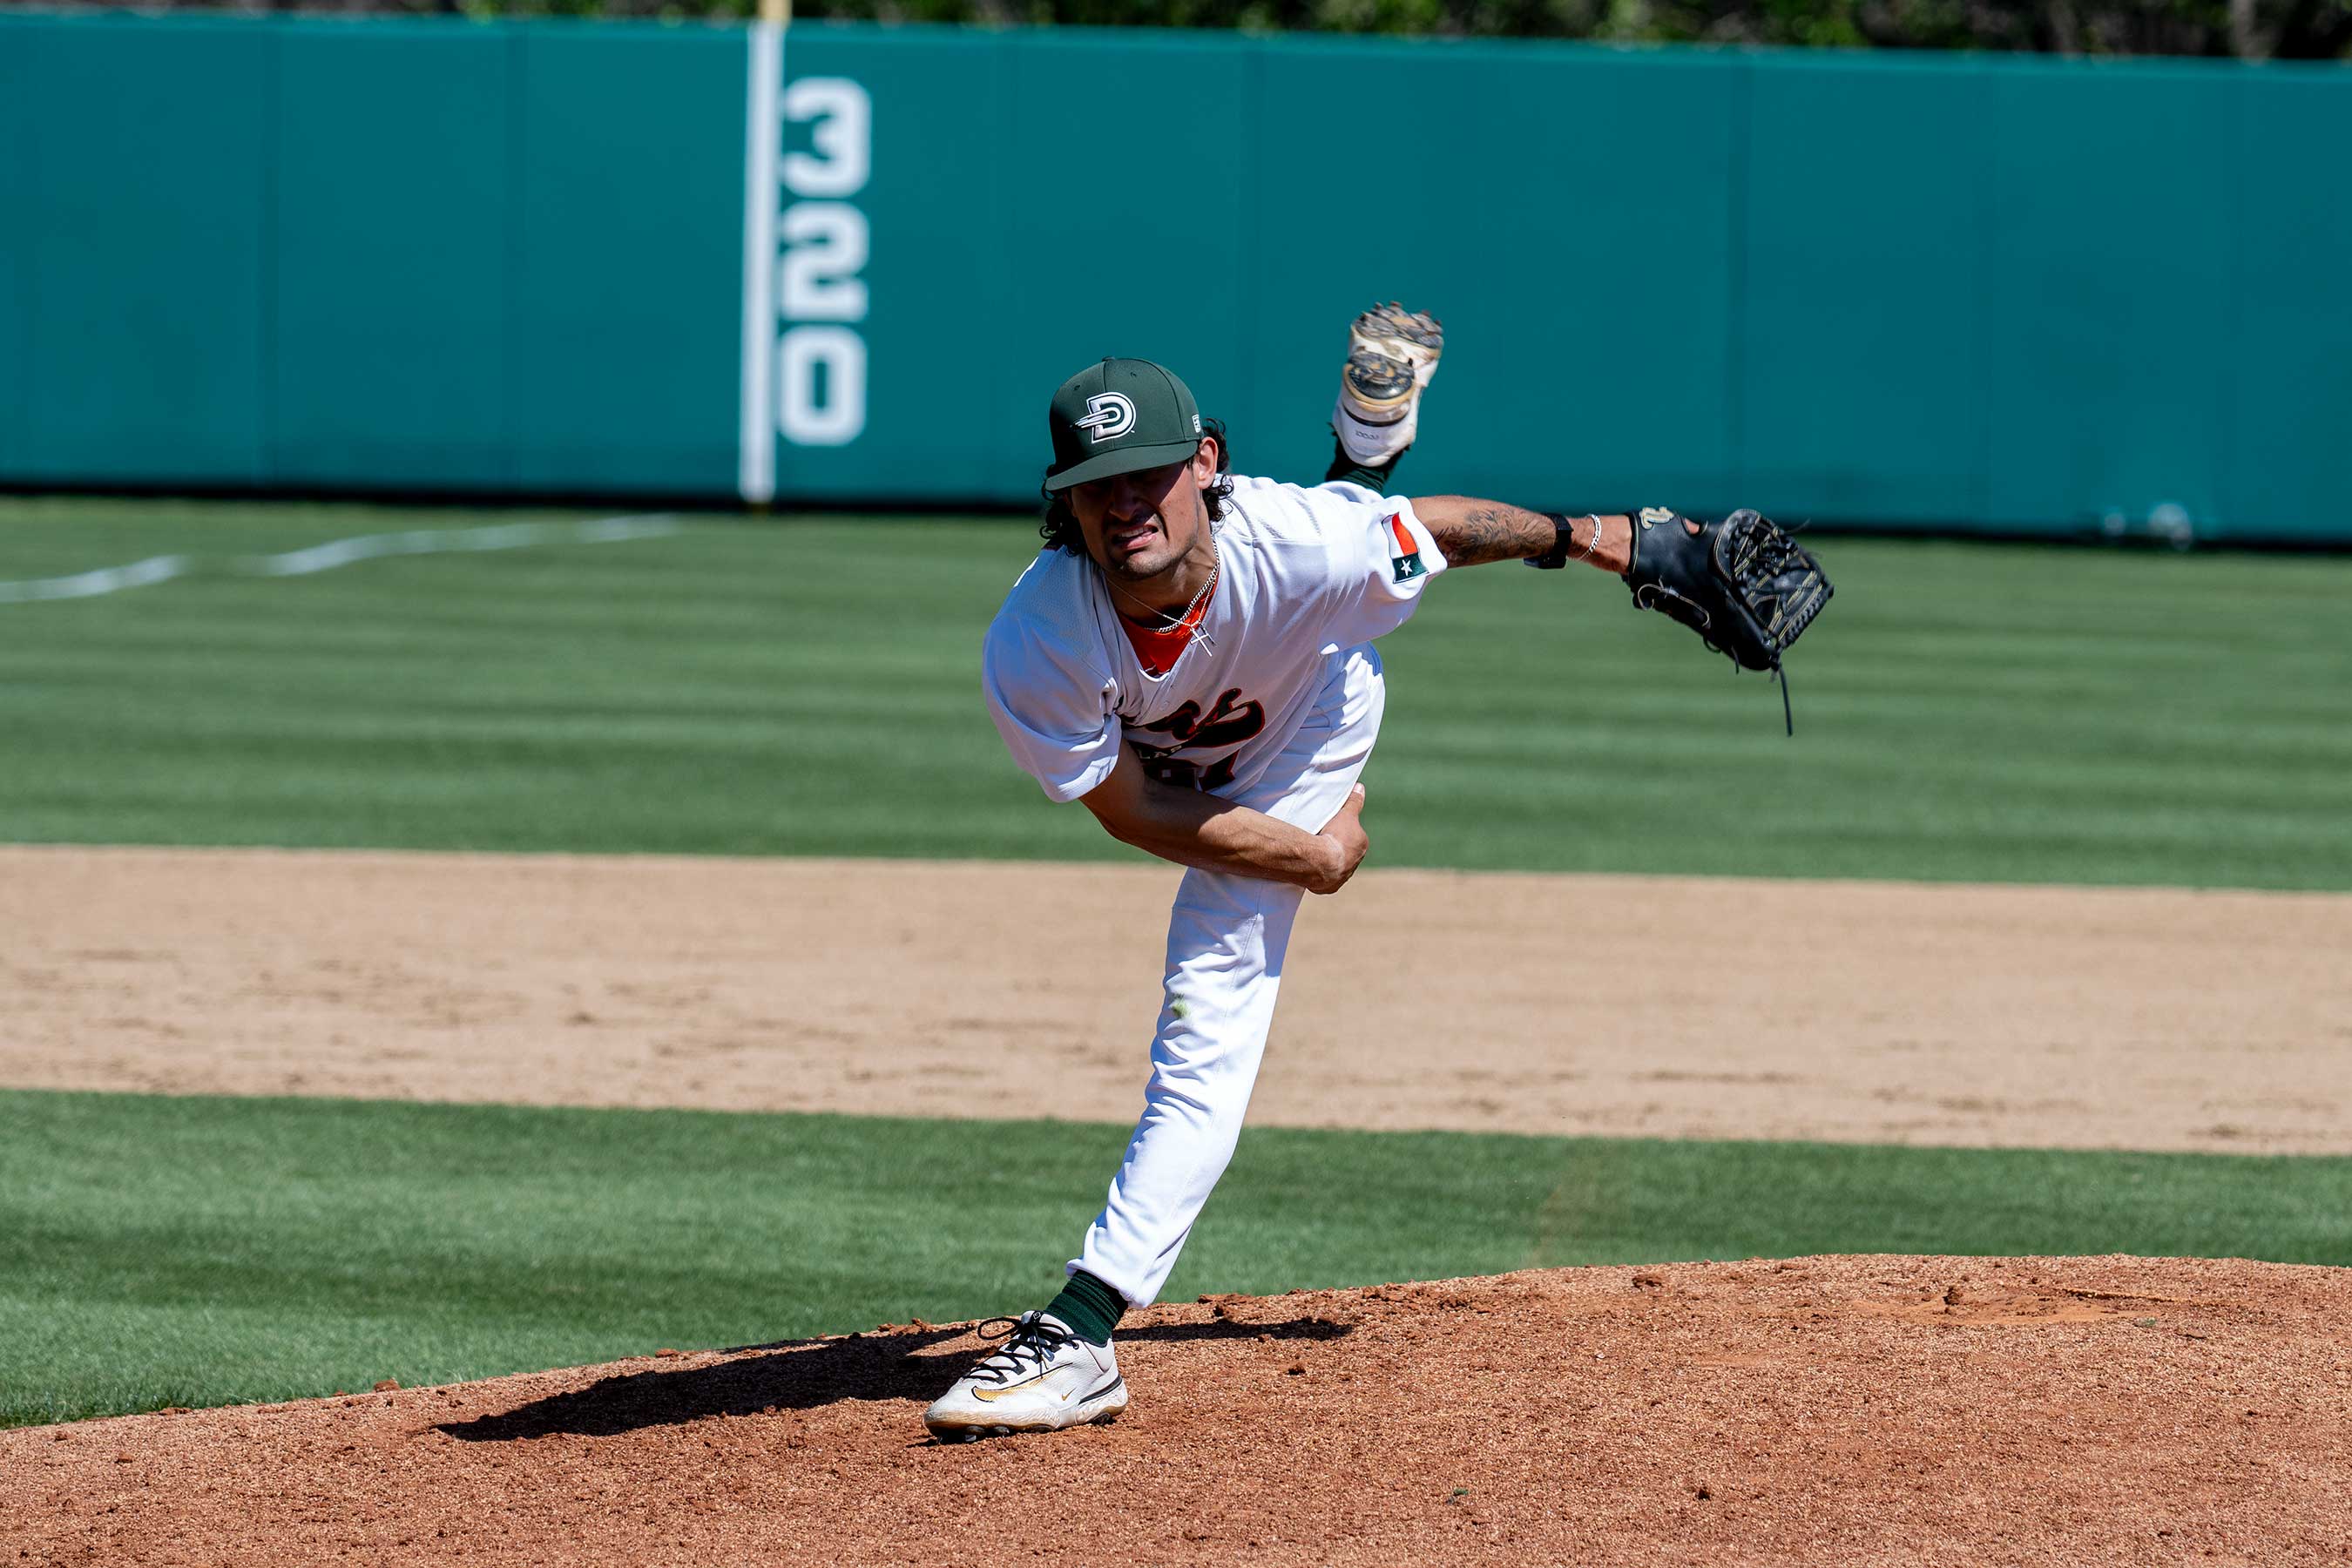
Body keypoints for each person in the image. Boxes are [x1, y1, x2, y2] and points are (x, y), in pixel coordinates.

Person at [926, 306, 1640, 1440]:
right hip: (1211, 751)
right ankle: (1368, 430)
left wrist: (1608, 536)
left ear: (1205, 462)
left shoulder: (1293, 542)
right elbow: (1135, 809)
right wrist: (1312, 858)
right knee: (1332, 551)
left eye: (1149, 473)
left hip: (1312, 716)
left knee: (1210, 996)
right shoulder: (1039, 637)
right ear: (1065, 499)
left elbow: (1435, 532)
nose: (1124, 503)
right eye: (1097, 484)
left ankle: (1083, 1331)